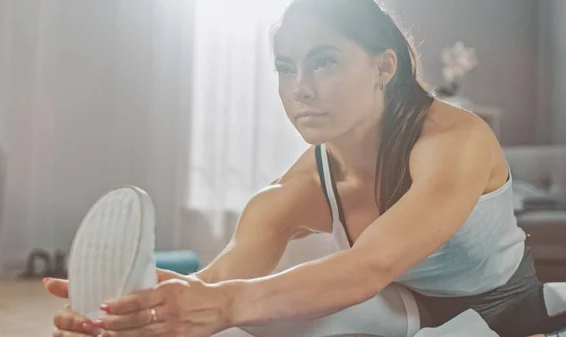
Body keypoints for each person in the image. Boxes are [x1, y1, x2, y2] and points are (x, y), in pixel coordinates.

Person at [46, 0, 566, 336]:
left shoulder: (454, 140)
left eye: (325, 61)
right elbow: (220, 285)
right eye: (286, 68)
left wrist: (222, 304)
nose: (301, 89)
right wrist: (144, 310)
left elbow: (369, 267)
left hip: (506, 320)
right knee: (243, 321)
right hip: (404, 316)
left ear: (384, 67)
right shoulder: (293, 191)